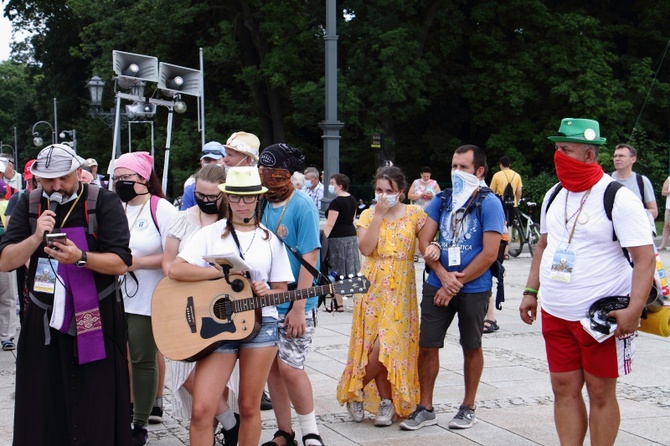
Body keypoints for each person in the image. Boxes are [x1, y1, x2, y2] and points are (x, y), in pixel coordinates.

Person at [520, 118, 655, 445]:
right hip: (555, 311)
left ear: (589, 155)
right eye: (556, 148)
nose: (558, 155)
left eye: (566, 149)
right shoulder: (554, 194)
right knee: (563, 388)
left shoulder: (617, 197)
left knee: (600, 392)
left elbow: (645, 258)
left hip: (600, 318)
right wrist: (530, 291)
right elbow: (542, 245)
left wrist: (634, 310)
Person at [0, 143, 133, 445]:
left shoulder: (104, 201)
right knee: (43, 399)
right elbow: (5, 261)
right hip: (44, 315)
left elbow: (122, 262)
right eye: (48, 180)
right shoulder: (28, 203)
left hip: (96, 316)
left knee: (95, 399)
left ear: (77, 171)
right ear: (36, 178)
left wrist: (81, 258)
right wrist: (36, 237)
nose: (57, 186)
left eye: (63, 178)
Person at [169, 166, 294, 446]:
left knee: (250, 406)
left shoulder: (270, 240)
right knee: (202, 409)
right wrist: (219, 273)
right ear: (226, 197)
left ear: (257, 199)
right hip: (218, 327)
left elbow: (282, 290)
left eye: (248, 198)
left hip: (261, 324)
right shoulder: (210, 234)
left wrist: (265, 290)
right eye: (235, 197)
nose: (241, 203)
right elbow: (177, 270)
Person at [401, 144, 505, 431]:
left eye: (463, 167)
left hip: (473, 287)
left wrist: (455, 282)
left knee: (471, 345)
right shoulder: (443, 199)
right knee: (427, 344)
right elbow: (424, 239)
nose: (456, 172)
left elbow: (489, 253)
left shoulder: (489, 202)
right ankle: (426, 406)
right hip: (438, 282)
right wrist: (441, 274)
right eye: (453, 166)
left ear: (479, 171)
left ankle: (468, 405)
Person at [337, 165, 426, 426]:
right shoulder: (367, 215)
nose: (384, 194)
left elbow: (427, 243)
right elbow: (365, 248)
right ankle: (386, 403)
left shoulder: (415, 214)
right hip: (373, 286)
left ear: (400, 192)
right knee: (373, 343)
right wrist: (378, 215)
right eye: (379, 190)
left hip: (401, 288)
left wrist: (434, 247)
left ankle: (355, 388)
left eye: (390, 191)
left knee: (389, 344)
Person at [161, 164, 240, 445]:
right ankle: (230, 422)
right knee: (184, 375)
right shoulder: (183, 220)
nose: (206, 201)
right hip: (184, 305)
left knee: (218, 379)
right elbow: (169, 264)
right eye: (200, 195)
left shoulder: (234, 225)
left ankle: (218, 427)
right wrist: (208, 274)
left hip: (222, 310)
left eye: (212, 196)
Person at [258, 144, 325, 446]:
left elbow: (310, 257)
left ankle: (311, 431)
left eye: (273, 172)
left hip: (297, 301)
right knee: (272, 367)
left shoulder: (303, 206)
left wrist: (299, 307)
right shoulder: (260, 203)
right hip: (267, 300)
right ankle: (284, 432)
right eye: (263, 170)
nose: (266, 176)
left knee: (291, 367)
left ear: (286, 174)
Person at [113, 151, 178, 445]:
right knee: (119, 357)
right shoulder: (117, 208)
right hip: (116, 295)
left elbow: (173, 255)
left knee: (142, 357)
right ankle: (121, 412)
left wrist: (137, 263)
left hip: (150, 296)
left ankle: (140, 421)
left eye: (125, 178)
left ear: (142, 178)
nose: (120, 183)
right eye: (116, 179)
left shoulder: (162, 209)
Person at [322, 173, 360, 312]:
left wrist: (322, 240)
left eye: (332, 183)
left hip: (337, 239)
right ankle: (358, 301)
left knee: (336, 269)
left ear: (340, 186)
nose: (330, 186)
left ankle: (339, 304)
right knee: (351, 268)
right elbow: (353, 218)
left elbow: (330, 224)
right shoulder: (352, 199)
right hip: (350, 235)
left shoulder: (336, 202)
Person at [611, 143, 658, 226]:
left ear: (633, 159)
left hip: (635, 231)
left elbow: (654, 211)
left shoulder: (642, 181)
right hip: (610, 234)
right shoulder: (605, 180)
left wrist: (634, 215)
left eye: (621, 156)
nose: (617, 159)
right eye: (615, 156)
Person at [489, 155, 523, 259]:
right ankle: (506, 253)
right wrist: (516, 200)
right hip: (513, 204)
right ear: (510, 164)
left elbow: (492, 191)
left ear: (500, 165)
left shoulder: (497, 175)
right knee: (509, 227)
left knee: (500, 226)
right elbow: (519, 192)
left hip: (500, 204)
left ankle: (499, 251)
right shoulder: (517, 175)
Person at [180, 141, 227, 210]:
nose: (211, 163)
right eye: (207, 160)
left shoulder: (231, 185)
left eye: (215, 159)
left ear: (224, 160)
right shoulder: (190, 188)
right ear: (201, 162)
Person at [0, 180, 18, 352]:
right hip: (5, 254)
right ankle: (7, 337)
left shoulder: (9, 204)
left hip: (4, 255)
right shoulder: (8, 204)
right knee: (8, 298)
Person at [659, 175, 670, 250]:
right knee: (666, 225)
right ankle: (663, 244)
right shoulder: (669, 179)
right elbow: (663, 192)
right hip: (669, 207)